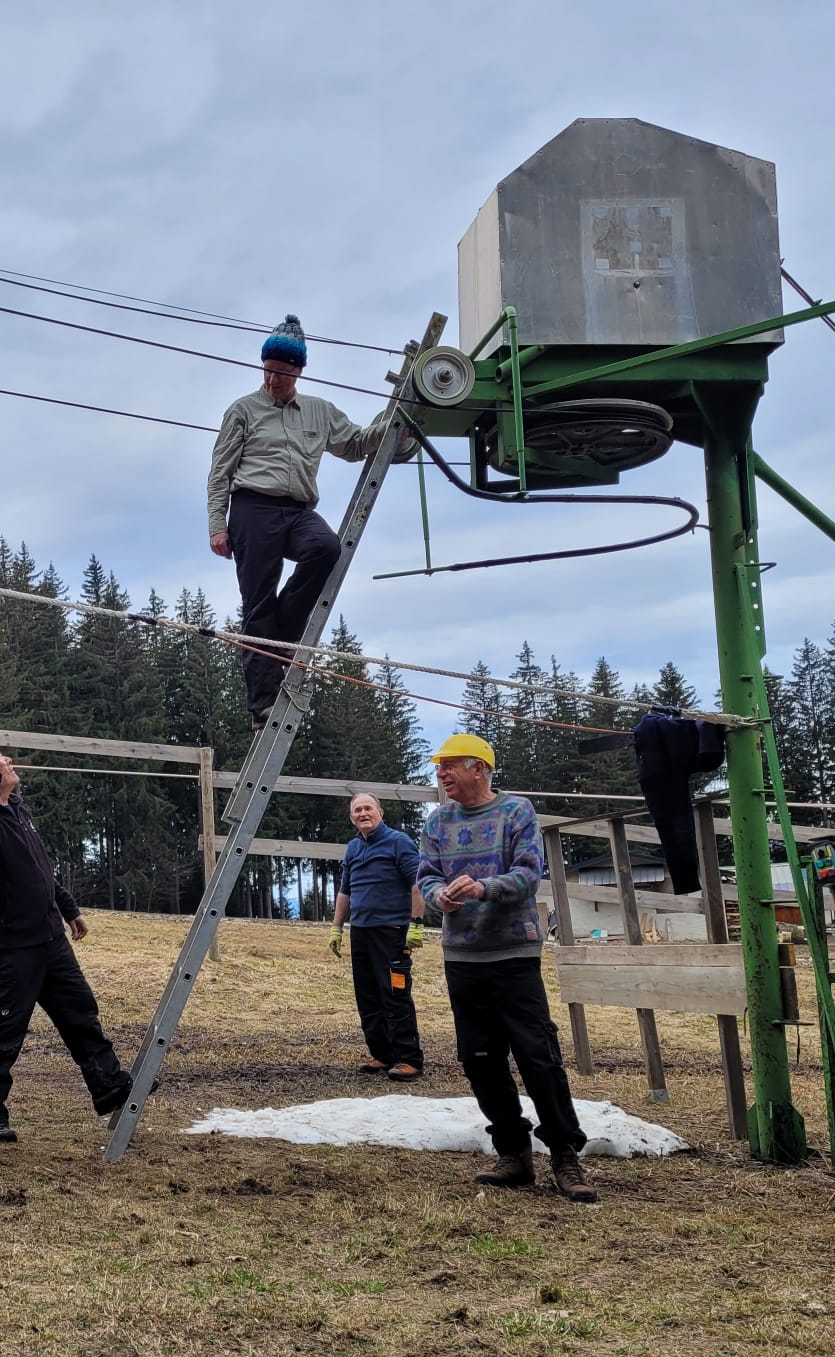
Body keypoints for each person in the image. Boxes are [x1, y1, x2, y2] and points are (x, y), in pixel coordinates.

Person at [416, 734, 597, 1203]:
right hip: (462, 956)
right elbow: (426, 875)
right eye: (439, 767)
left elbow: (528, 873)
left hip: (514, 954)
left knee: (538, 1056)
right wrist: (439, 896)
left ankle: (564, 1155)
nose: (442, 774)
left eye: (450, 765)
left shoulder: (516, 812)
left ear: (479, 768)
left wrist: (484, 888)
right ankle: (513, 1153)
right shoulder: (436, 822)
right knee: (479, 1058)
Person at [206, 315, 399, 727]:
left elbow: (355, 444)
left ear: (298, 371)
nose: (273, 379)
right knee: (257, 602)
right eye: (268, 370)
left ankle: (284, 637)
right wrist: (217, 525)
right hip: (252, 509)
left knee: (326, 549)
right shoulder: (242, 410)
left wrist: (395, 426)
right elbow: (220, 472)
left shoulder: (319, 412)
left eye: (282, 372)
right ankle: (262, 703)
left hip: (297, 510)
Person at [0, 737, 133, 1142]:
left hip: (50, 938)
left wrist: (67, 907)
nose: (8, 761)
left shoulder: (16, 809)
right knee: (2, 1031)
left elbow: (39, 867)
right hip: (11, 947)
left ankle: (108, 1085)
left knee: (80, 1012)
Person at [329, 793, 427, 1080]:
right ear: (352, 818)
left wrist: (416, 923)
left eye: (368, 808)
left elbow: (417, 884)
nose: (363, 813)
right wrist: (336, 927)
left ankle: (409, 1058)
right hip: (361, 932)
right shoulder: (353, 848)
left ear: (380, 813)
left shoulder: (399, 842)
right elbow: (345, 891)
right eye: (357, 810)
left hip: (392, 931)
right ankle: (383, 1055)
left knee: (394, 993)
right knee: (368, 995)